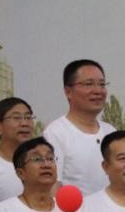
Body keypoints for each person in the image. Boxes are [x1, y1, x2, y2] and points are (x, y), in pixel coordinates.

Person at [44, 59, 115, 195]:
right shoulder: (55, 133)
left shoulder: (110, 131)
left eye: (102, 84)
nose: (98, 91)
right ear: (68, 91)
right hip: (75, 209)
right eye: (89, 84)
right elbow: (53, 186)